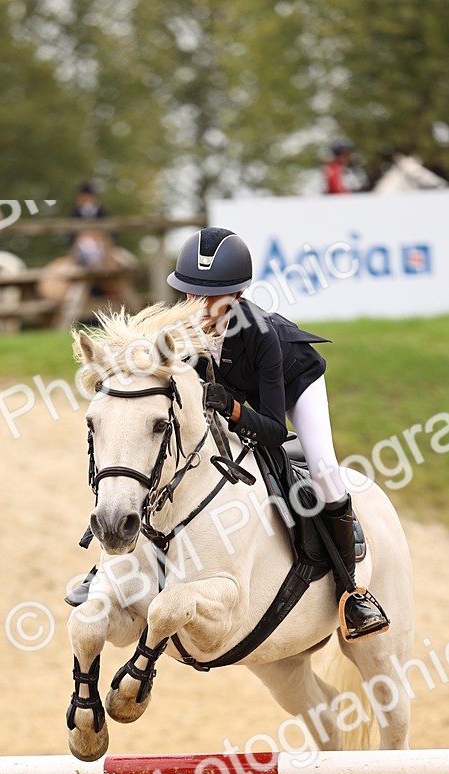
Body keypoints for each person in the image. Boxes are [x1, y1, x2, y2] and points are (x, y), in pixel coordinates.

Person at [67, 226, 389, 641]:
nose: (197, 308)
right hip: (232, 393)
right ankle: (105, 570)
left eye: (211, 299)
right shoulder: (183, 337)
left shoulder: (261, 335)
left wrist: (234, 408)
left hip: (294, 384)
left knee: (325, 469)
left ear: (236, 297)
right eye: (190, 295)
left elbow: (274, 430)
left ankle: (352, 591)